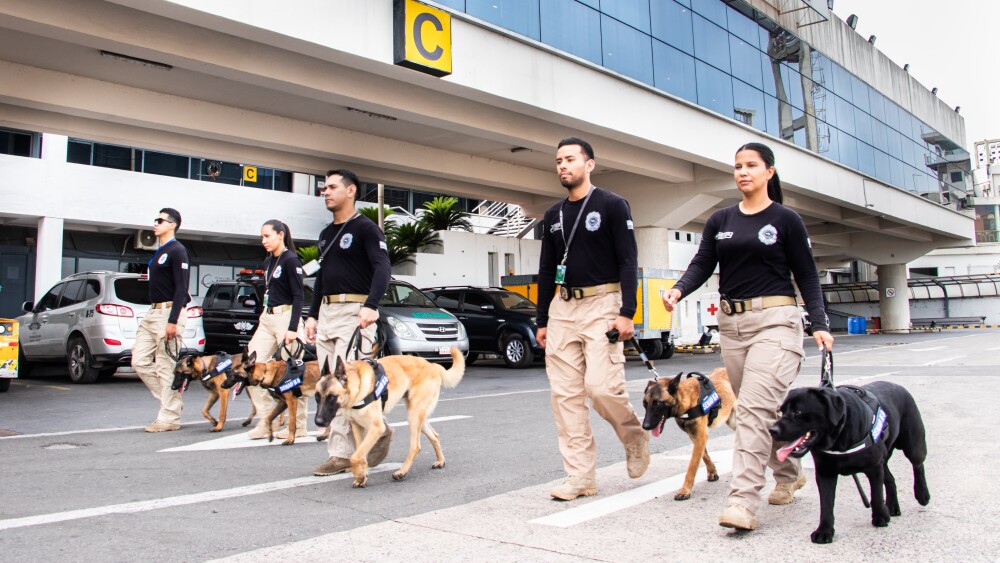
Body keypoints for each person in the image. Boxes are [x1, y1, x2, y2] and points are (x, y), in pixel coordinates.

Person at [661, 142, 835, 531]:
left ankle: (742, 502)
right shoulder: (720, 219)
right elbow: (703, 263)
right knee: (762, 412)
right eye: (737, 166)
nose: (742, 172)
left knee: (753, 411)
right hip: (732, 327)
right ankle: (789, 474)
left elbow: (806, 274)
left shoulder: (786, 219)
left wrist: (820, 323)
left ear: (769, 172)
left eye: (751, 165)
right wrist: (678, 290)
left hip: (776, 322)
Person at [535, 137, 650, 501]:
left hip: (604, 302)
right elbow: (545, 269)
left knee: (601, 387)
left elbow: (629, 259)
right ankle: (580, 476)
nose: (562, 166)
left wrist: (627, 312)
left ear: (590, 164)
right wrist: (542, 320)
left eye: (570, 159)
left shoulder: (613, 205)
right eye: (558, 161)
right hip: (563, 307)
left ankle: (633, 436)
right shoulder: (553, 215)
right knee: (565, 396)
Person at [305, 169, 393, 476]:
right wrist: (312, 314)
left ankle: (342, 453)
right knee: (328, 383)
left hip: (354, 311)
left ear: (351, 190)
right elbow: (320, 279)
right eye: (324, 188)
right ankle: (372, 431)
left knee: (345, 383)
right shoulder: (327, 234)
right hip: (328, 312)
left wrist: (371, 305)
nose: (325, 192)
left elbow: (383, 268)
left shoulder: (367, 229)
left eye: (332, 187)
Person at [246, 220, 307, 440]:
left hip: (286, 317)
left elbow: (299, 295)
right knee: (250, 369)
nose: (263, 241)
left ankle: (298, 426)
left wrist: (292, 328)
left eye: (267, 236)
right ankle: (266, 422)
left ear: (280, 235)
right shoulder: (268, 261)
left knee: (293, 373)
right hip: (268, 315)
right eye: (262, 237)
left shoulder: (291, 260)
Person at [133, 208, 191, 432]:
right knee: (139, 361)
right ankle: (171, 403)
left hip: (169, 313)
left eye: (160, 220)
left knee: (166, 366)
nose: (155, 224)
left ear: (172, 225)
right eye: (155, 220)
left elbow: (181, 288)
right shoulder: (159, 252)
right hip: (152, 313)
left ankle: (169, 418)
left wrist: (173, 320)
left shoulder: (178, 251)